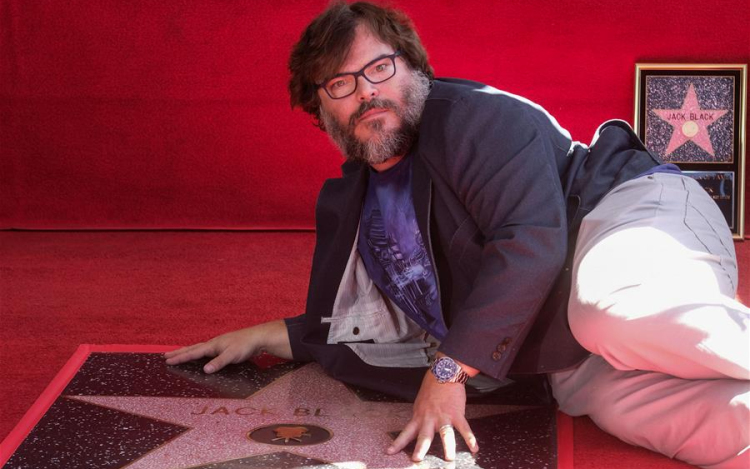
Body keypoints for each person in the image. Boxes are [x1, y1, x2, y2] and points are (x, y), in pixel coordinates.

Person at [165, 2, 750, 467]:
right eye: (340, 83)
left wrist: (448, 373)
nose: (366, 91)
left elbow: (530, 241)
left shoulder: (474, 116)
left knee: (613, 310)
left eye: (379, 68)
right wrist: (276, 333)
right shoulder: (355, 203)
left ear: (415, 69)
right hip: (558, 342)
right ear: (320, 113)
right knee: (659, 413)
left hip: (627, 212)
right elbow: (371, 320)